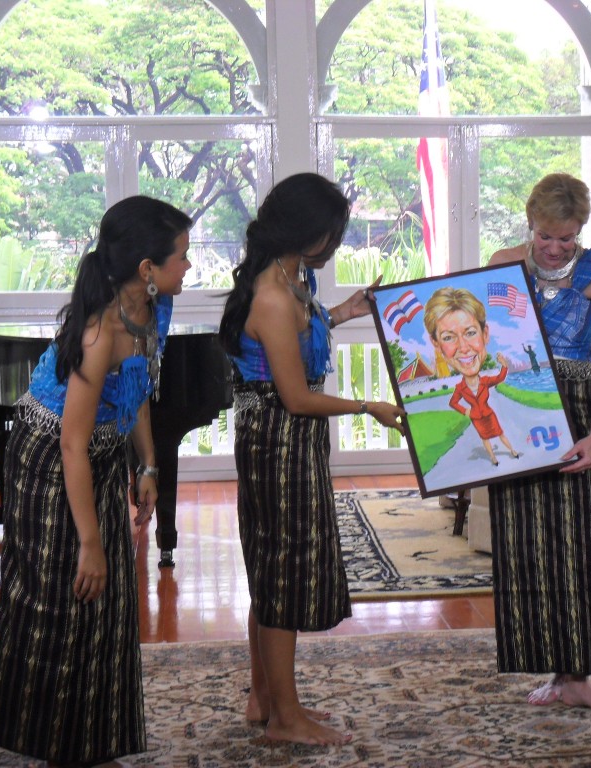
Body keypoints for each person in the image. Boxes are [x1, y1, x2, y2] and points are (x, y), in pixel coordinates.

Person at [0, 196, 193, 767]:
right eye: (182, 258)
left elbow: (141, 387)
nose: (189, 268)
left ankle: (94, 742)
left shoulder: (153, 309)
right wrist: (91, 543)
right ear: (148, 269)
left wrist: (147, 465)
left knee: (112, 600)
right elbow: (71, 443)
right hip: (50, 460)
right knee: (65, 599)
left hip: (95, 453)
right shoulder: (99, 333)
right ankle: (55, 746)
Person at [217, 172, 405, 747]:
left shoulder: (284, 275)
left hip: (279, 438)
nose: (338, 242)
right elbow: (296, 397)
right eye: (334, 232)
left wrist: (346, 310)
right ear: (312, 234)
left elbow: (301, 335)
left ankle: (264, 697)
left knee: (270, 569)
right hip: (280, 439)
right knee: (283, 572)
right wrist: (369, 405)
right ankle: (285, 720)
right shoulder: (275, 294)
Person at [486, 172, 591, 717]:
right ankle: (553, 671)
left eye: (567, 238)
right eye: (546, 235)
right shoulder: (501, 265)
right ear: (530, 224)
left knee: (581, 546)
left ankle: (578, 673)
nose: (555, 247)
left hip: (574, 410)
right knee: (524, 544)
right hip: (516, 403)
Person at [424, 287, 521, 465]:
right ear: (436, 345)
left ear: (485, 334)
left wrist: (504, 366)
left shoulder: (484, 381)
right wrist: (467, 411)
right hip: (477, 418)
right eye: (448, 337)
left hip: (489, 415)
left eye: (470, 333)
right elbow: (453, 402)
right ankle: (493, 458)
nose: (463, 347)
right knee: (485, 438)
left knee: (500, 433)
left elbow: (499, 378)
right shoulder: (460, 388)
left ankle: (512, 451)